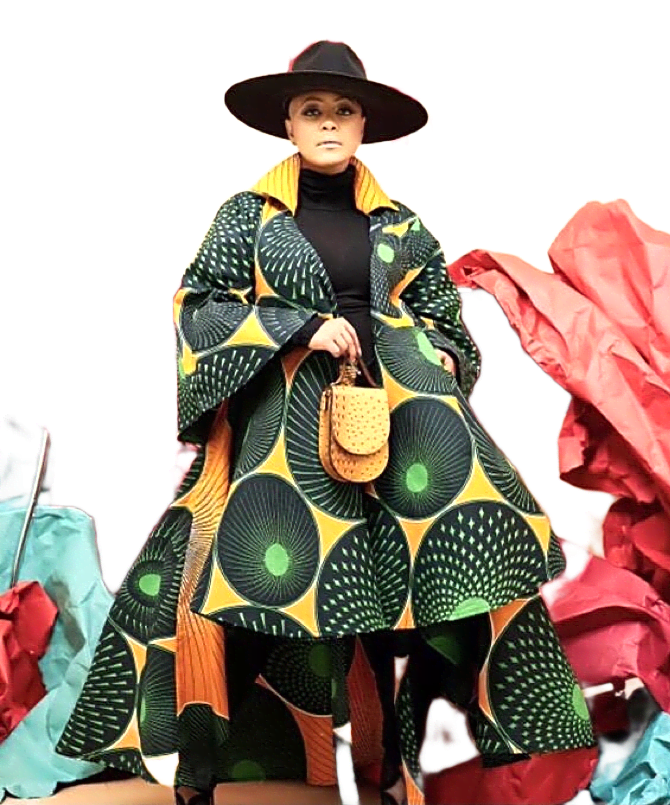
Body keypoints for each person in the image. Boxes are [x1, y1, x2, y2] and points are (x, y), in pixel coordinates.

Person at [57, 41, 595, 805]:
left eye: (344, 110)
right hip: (284, 435)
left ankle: (392, 770)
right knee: (248, 592)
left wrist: (440, 353)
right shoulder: (247, 217)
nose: (330, 123)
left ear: (364, 125)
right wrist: (298, 327)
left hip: (396, 428)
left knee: (403, 602)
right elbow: (200, 306)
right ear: (289, 123)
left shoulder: (401, 224)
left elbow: (446, 320)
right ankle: (200, 771)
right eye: (314, 110)